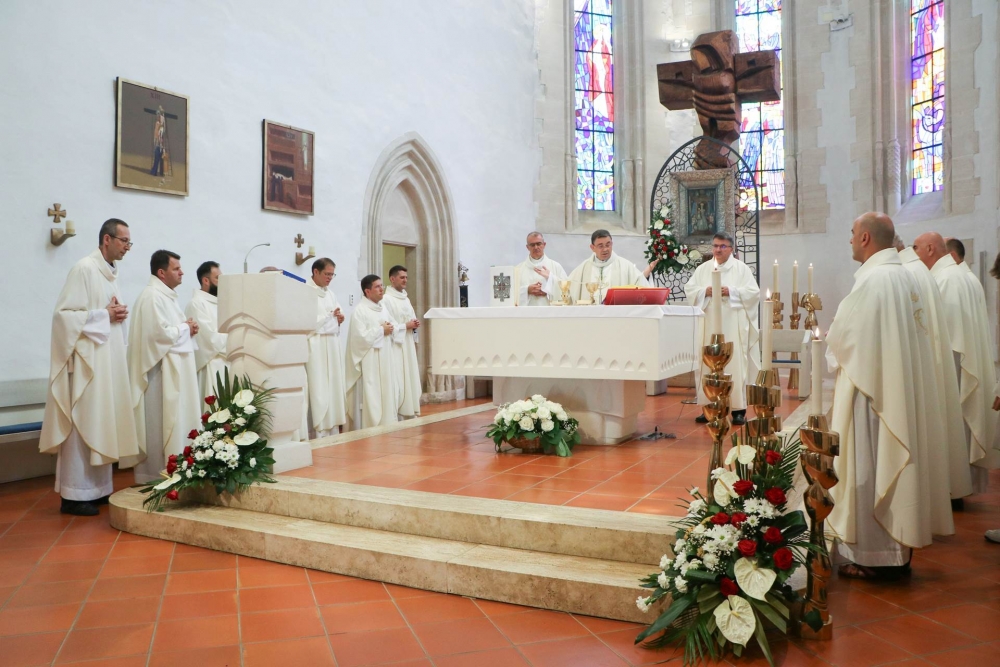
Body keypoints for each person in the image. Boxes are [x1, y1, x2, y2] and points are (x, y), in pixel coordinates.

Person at [827, 213, 953, 580]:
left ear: (866, 237)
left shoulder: (875, 280)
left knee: (869, 466)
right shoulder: (904, 276)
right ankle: (895, 553)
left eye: (853, 233)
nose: (850, 240)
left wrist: (827, 346)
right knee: (885, 466)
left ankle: (873, 556)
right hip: (893, 389)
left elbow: (843, 339)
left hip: (872, 397)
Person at [39, 219, 139, 516]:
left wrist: (114, 315)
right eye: (124, 241)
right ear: (107, 239)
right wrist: (104, 315)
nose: (127, 247)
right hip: (86, 367)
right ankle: (73, 495)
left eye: (129, 242)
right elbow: (63, 317)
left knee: (100, 421)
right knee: (83, 424)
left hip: (104, 365)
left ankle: (97, 490)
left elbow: (105, 315)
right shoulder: (84, 268)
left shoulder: (109, 275)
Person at [914, 232, 999, 496]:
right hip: (963, 366)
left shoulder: (945, 279)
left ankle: (954, 489)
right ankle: (960, 487)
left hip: (953, 371)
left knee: (954, 430)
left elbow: (945, 340)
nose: (913, 253)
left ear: (930, 249)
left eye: (916, 247)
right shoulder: (962, 275)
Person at [894, 236, 973, 505]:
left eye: (916, 246)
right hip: (944, 362)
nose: (913, 251)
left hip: (941, 362)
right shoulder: (931, 273)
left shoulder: (925, 274)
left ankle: (943, 489)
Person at [124, 250, 202, 484]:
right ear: (161, 272)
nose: (182, 272)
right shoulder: (152, 297)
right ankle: (155, 474)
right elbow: (158, 336)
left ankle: (178, 469)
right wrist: (186, 328)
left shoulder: (166, 297)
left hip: (173, 373)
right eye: (176, 268)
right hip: (159, 377)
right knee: (161, 425)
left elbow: (169, 330)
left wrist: (186, 327)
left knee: (175, 423)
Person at [684, 232, 760, 426]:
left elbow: (753, 293)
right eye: (715, 246)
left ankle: (737, 410)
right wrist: (705, 291)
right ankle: (709, 407)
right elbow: (690, 289)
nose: (718, 250)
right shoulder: (703, 269)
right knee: (708, 363)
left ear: (731, 249)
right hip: (709, 323)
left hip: (732, 324)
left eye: (722, 246)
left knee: (734, 364)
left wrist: (731, 291)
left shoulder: (741, 269)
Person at [344, 275, 404, 429]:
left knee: (387, 391)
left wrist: (390, 328)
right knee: (372, 395)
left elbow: (393, 326)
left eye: (381, 286)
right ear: (367, 291)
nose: (381, 289)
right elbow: (359, 339)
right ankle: (370, 426)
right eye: (377, 286)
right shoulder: (359, 311)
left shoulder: (383, 308)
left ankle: (387, 423)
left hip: (385, 358)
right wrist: (381, 330)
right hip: (369, 362)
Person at [304, 258, 347, 438]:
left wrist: (339, 318)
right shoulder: (305, 292)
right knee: (318, 387)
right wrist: (329, 317)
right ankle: (318, 430)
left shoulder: (330, 294)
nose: (330, 278)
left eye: (332, 275)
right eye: (327, 274)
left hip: (331, 346)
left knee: (333, 386)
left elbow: (338, 314)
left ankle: (333, 428)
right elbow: (306, 323)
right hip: (316, 347)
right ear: (316, 272)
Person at [567, 229, 659, 303]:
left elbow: (638, 284)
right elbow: (567, 289)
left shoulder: (625, 266)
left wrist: (645, 274)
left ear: (612, 244)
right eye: (600, 246)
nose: (605, 249)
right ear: (592, 247)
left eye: (608, 245)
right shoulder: (583, 268)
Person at [185, 261, 228, 405]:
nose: (222, 282)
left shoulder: (220, 302)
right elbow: (210, 340)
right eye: (218, 278)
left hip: (227, 363)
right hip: (211, 366)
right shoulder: (196, 304)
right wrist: (236, 337)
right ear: (205, 280)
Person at [383, 265, 423, 419]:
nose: (405, 280)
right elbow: (388, 324)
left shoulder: (406, 299)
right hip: (396, 346)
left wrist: (414, 325)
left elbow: (410, 319)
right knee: (399, 378)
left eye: (406, 277)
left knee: (410, 376)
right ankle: (399, 413)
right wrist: (406, 326)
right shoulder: (386, 299)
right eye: (402, 277)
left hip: (408, 344)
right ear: (392, 279)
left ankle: (410, 410)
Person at [514, 232, 568, 306]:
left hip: (550, 312)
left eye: (539, 244)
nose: (536, 247)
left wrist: (550, 282)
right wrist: (527, 290)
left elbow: (566, 290)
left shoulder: (556, 266)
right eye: (532, 245)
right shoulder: (518, 269)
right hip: (527, 312)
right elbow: (511, 294)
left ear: (544, 245)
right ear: (527, 247)